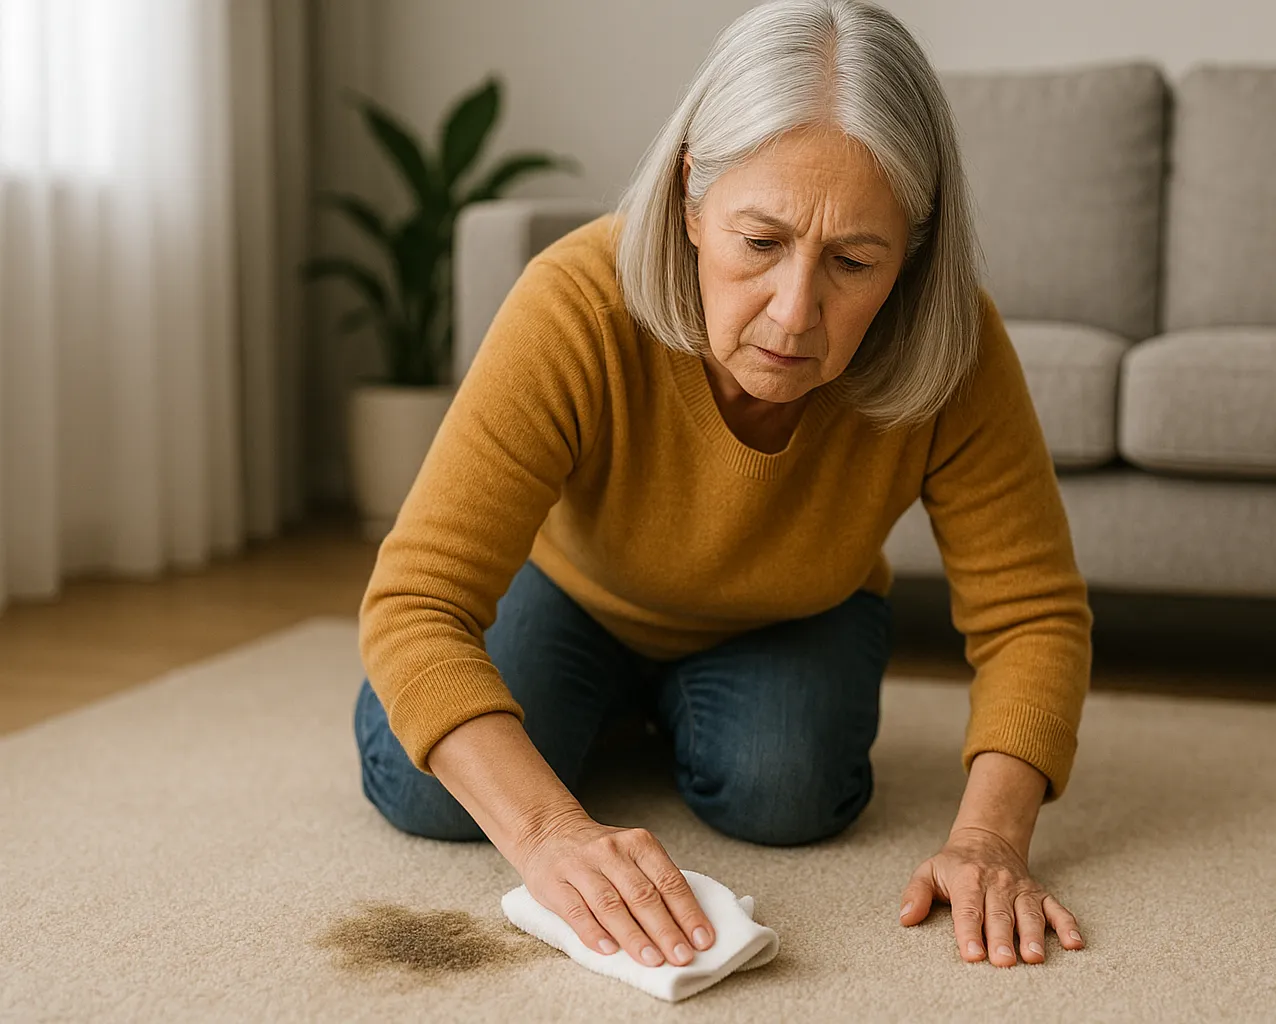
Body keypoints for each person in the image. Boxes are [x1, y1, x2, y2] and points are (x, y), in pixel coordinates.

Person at [354, 0, 1091, 973]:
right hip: (576, 592)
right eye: (760, 242)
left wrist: (991, 841)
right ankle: (615, 703)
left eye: (853, 261)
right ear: (692, 194)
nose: (794, 314)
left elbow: (1033, 615)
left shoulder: (955, 347)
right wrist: (549, 833)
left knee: (788, 797)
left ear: (910, 251)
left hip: (790, 613)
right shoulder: (574, 303)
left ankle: (654, 711)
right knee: (433, 795)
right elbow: (417, 603)